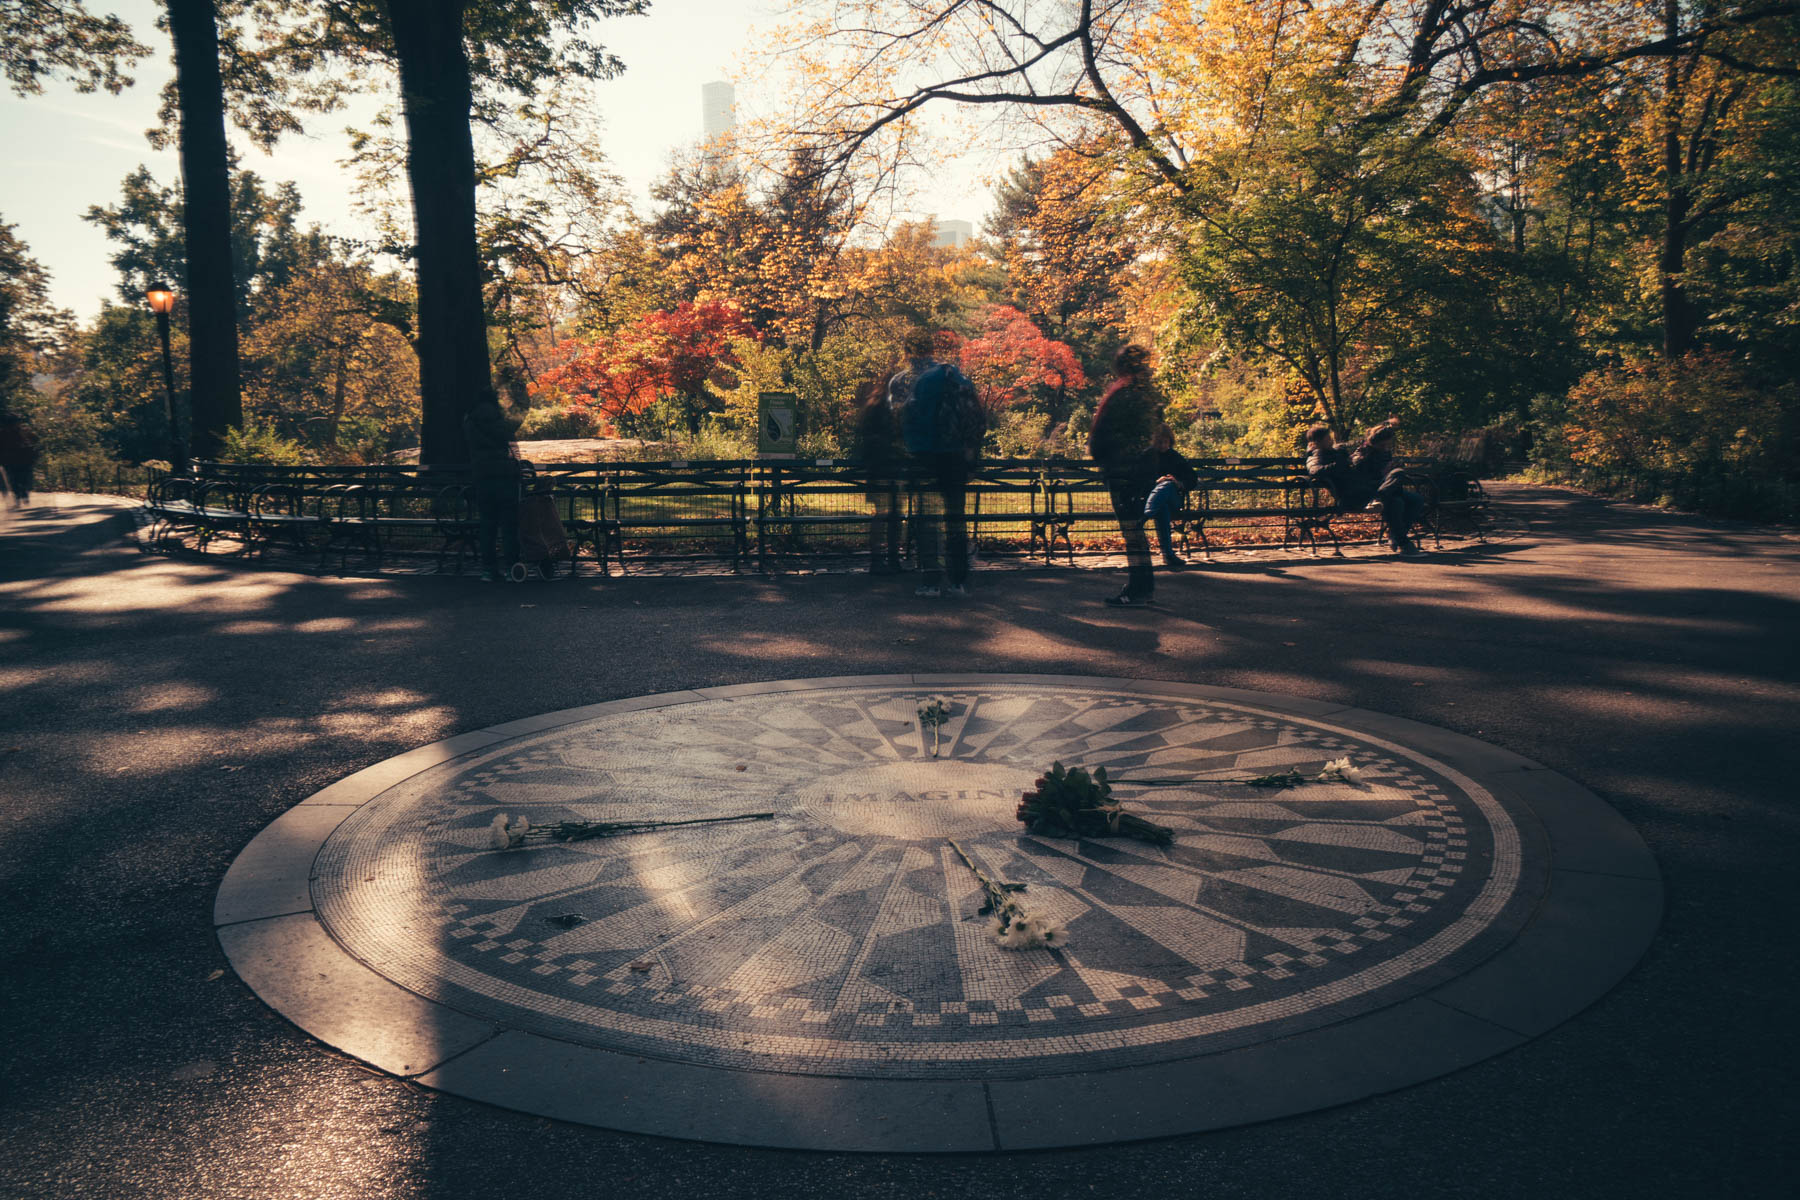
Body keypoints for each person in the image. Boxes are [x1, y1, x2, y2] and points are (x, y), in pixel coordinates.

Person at [889, 330, 983, 597]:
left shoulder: (907, 381)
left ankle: (931, 580)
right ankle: (958, 581)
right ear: (930, 349)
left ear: (907, 351)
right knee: (956, 518)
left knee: (927, 519)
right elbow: (973, 418)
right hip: (957, 459)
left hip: (925, 456)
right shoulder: (956, 377)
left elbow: (901, 419)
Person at [1088, 344, 1166, 606]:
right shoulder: (1150, 395)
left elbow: (1100, 432)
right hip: (1146, 469)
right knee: (1138, 530)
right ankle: (1144, 586)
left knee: (1131, 531)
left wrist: (1101, 456)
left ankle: (1137, 589)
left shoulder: (1120, 394)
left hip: (1122, 470)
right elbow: (1157, 430)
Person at [463, 389, 523, 582]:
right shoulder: (498, 420)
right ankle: (511, 567)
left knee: (487, 524)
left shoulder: (470, 422)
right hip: (504, 476)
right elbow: (509, 438)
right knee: (508, 525)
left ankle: (489, 569)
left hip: (482, 477)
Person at [852, 372, 902, 574]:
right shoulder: (889, 409)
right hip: (889, 467)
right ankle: (891, 559)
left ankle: (878, 559)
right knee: (892, 516)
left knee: (882, 515)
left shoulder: (873, 407)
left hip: (877, 468)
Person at [1351, 419, 1425, 554]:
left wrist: (1390, 470)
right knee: (1396, 502)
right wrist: (1384, 473)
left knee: (1416, 500)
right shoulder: (1363, 452)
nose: (1388, 446)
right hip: (1370, 492)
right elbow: (1361, 477)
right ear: (1378, 441)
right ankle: (1402, 541)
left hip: (1386, 492)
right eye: (1385, 443)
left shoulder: (1385, 453)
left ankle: (1395, 534)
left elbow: (1387, 474)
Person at [1143, 426, 1200, 569]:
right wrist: (1156, 482)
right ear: (1153, 442)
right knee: (1162, 509)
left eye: (1165, 442)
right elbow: (1137, 480)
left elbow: (1192, 479)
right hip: (1155, 501)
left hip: (1174, 500)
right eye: (1159, 442)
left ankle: (1146, 515)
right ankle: (1168, 555)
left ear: (1170, 441)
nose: (1162, 445)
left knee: (1168, 484)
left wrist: (1177, 483)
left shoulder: (1175, 457)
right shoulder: (1147, 457)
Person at [0, 411, 39, 508]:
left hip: (23, 459)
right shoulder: (3, 433)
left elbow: (35, 439)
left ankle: (24, 492)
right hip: (10, 460)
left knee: (24, 477)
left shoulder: (23, 431)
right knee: (13, 479)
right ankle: (18, 496)